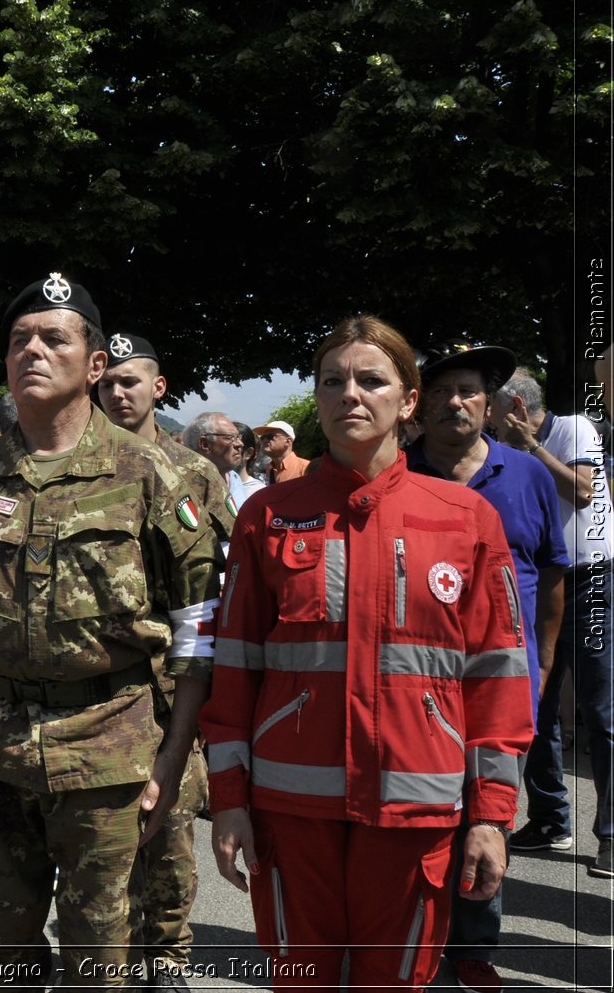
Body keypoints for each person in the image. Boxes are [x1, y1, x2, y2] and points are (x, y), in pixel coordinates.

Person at [200, 315, 534, 991]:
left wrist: (492, 815)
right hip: (292, 813)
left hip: (415, 813)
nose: (351, 393)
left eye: (372, 379)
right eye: (333, 380)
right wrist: (228, 798)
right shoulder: (266, 515)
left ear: (408, 400)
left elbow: (498, 679)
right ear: (317, 398)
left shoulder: (467, 518)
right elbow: (232, 669)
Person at [0, 277, 219, 990]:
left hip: (109, 754)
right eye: (21, 338)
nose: (33, 350)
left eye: (55, 337)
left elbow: (198, 629)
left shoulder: (153, 472)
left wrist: (175, 756)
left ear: (93, 365)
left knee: (100, 966)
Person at [404, 341, 568, 993]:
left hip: (508, 679)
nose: (455, 401)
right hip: (421, 680)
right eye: (441, 390)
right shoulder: (397, 474)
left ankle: (474, 941)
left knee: (488, 810)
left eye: (468, 389)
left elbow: (553, 575)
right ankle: (413, 935)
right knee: (423, 813)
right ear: (419, 405)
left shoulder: (527, 475)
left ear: (491, 402)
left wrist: (546, 659)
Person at [95, 333, 234, 990]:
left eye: (132, 380)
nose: (118, 392)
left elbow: (222, 582)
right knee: (101, 843)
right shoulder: (80, 464)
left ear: (160, 386)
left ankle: (168, 960)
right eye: (108, 381)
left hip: (173, 688)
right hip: (99, 691)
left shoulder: (196, 472)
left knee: (171, 836)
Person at [494, 371, 614, 879]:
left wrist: (531, 450)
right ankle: (549, 821)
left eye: (491, 410)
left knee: (601, 710)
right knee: (534, 704)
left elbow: (584, 490)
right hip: (545, 582)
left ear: (516, 406)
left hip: (590, 585)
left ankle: (610, 835)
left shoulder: (573, 429)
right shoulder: (505, 449)